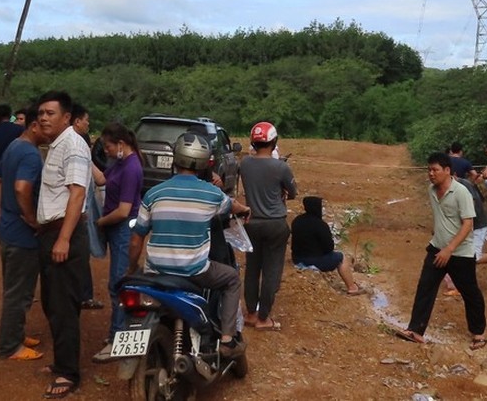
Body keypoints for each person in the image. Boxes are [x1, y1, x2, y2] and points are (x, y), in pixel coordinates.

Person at [129, 133, 252, 357]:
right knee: (232, 279)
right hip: (194, 271)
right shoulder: (211, 193)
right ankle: (227, 339)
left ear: (175, 159)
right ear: (205, 164)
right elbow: (231, 205)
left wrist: (131, 268)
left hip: (156, 271)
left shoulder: (153, 193)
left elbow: (137, 237)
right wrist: (244, 209)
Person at [397, 152, 486, 350]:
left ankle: (478, 333)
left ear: (447, 171)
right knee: (425, 287)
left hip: (460, 253)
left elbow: (467, 224)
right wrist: (440, 240)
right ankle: (416, 330)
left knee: (469, 292)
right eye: (429, 170)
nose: (431, 174)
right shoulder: (431, 190)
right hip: (437, 248)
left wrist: (450, 248)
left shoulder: (461, 192)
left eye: (435, 170)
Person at [35, 91, 92, 399]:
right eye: (41, 112)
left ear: (67, 117)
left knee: (63, 307)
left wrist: (64, 238)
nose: (43, 117)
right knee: (52, 304)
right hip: (52, 233)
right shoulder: (58, 145)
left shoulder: (72, 145)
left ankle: (68, 373)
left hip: (63, 233)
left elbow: (77, 194)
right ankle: (61, 362)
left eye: (50, 113)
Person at [0, 107, 45, 361]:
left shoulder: (15, 146)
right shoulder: (31, 154)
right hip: (22, 237)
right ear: (33, 126)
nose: (49, 132)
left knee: (13, 287)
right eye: (44, 127)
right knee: (19, 292)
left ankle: (16, 333)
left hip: (7, 230)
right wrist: (32, 219)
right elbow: (23, 188)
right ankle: (10, 346)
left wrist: (3, 206)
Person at [90, 123, 144, 364]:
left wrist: (100, 222)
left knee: (119, 284)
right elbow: (102, 180)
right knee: (117, 282)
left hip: (123, 230)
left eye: (109, 146)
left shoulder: (132, 168)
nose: (107, 150)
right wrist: (84, 157)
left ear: (121, 144)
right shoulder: (119, 163)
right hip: (116, 230)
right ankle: (118, 333)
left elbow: (123, 211)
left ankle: (118, 339)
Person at [239, 121, 297, 332]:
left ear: (253, 142)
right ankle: (264, 317)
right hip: (275, 224)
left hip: (251, 223)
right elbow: (292, 193)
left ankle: (251, 313)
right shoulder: (281, 167)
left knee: (252, 268)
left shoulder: (244, 164)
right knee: (272, 270)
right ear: (274, 142)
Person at [443, 175, 487, 297]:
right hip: (468, 227)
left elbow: (470, 207)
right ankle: (456, 284)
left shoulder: (464, 186)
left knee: (472, 257)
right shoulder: (451, 187)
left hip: (478, 227)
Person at [291, 196, 361, 295]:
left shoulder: (297, 221)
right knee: (341, 257)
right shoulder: (320, 225)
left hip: (297, 259)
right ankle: (352, 287)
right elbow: (329, 248)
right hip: (314, 260)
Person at [71, 102, 103, 310]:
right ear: (77, 121)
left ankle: (78, 294)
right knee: (80, 256)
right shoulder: (78, 146)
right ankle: (84, 296)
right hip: (78, 213)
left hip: (73, 212)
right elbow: (98, 180)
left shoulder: (64, 144)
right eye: (86, 120)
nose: (88, 123)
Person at [0, 104, 25, 223]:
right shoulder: (19, 130)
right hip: (16, 171)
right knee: (17, 201)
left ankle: (1, 231)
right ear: (10, 114)